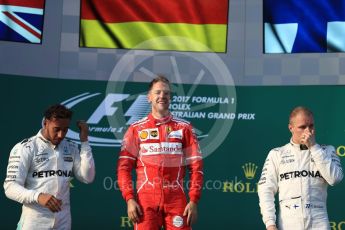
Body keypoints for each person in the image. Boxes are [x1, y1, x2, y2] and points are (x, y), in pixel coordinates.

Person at [117, 75, 203, 230]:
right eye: (158, 92)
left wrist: (193, 200)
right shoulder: (136, 129)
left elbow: (196, 167)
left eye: (166, 93)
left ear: (170, 97)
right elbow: (123, 168)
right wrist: (129, 199)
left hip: (176, 200)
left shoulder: (184, 128)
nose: (162, 96)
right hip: (146, 201)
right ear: (149, 97)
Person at [3, 104, 95, 230]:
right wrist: (38, 196)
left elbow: (87, 177)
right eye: (56, 129)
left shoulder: (71, 147)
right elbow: (10, 187)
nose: (61, 135)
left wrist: (84, 142)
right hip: (34, 221)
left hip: (63, 221)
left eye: (65, 129)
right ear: (45, 123)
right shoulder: (26, 147)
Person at [258, 106, 343, 230]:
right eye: (302, 127)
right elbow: (265, 190)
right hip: (288, 224)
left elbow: (335, 179)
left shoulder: (327, 151)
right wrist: (270, 224)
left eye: (311, 126)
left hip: (319, 224)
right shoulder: (277, 154)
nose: (308, 131)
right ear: (290, 128)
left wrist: (313, 147)